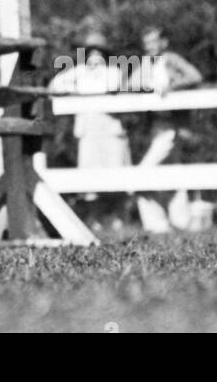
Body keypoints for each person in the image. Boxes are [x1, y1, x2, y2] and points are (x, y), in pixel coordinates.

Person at [48, 29, 131, 229]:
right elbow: (54, 87)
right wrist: (74, 94)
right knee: (89, 173)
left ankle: (119, 219)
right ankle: (95, 220)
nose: (96, 55)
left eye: (99, 51)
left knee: (116, 172)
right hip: (88, 127)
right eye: (91, 51)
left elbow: (114, 89)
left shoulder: (115, 71)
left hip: (110, 125)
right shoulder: (76, 72)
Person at [135, 26, 203, 231]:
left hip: (173, 127)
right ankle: (180, 221)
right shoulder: (146, 64)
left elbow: (194, 76)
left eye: (154, 42)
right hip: (155, 126)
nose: (150, 47)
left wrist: (171, 86)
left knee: (141, 174)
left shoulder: (171, 59)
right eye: (146, 43)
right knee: (173, 172)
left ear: (163, 42)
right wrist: (144, 85)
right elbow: (129, 83)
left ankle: (158, 223)